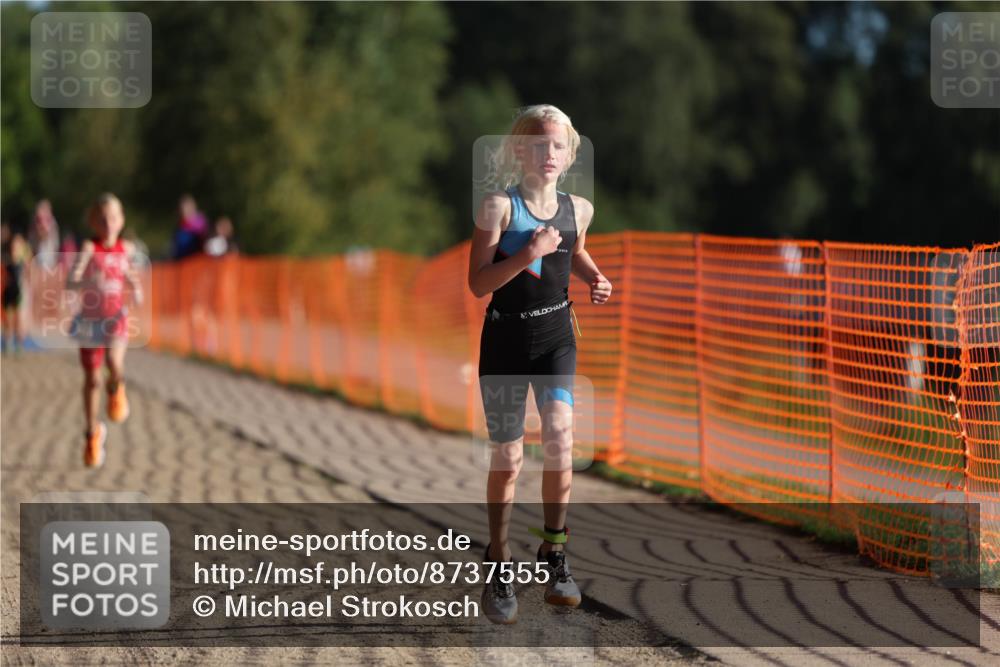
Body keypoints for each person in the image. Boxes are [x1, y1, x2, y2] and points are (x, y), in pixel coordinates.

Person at [467, 105, 612, 624]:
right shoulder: (498, 207)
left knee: (560, 438)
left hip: (556, 338)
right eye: (539, 144)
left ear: (570, 155)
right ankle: (499, 557)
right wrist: (527, 252)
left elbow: (573, 251)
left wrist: (595, 277)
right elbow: (478, 283)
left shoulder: (580, 209)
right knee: (509, 458)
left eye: (558, 145)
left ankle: (554, 550)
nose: (549, 153)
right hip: (505, 340)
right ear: (518, 151)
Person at [66, 194, 144, 468]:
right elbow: (70, 282)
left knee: (113, 360)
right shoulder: (89, 248)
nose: (108, 223)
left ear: (121, 220)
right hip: (90, 323)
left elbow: (129, 273)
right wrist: (89, 281)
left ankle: (117, 390)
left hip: (116, 318)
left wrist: (136, 288)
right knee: (93, 381)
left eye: (113, 217)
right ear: (93, 222)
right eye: (102, 219)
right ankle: (92, 432)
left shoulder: (127, 248)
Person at [1, 222, 32, 354]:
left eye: (18, 246)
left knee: (18, 318)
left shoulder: (22, 263)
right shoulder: (5, 260)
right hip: (7, 292)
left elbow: (28, 275)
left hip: (18, 292)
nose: (15, 248)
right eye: (13, 245)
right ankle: (7, 342)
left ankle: (19, 344)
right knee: (7, 319)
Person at [171, 194, 208, 260]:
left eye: (189, 208)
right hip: (183, 262)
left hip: (199, 260)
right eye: (184, 209)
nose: (187, 211)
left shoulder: (202, 226)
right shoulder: (179, 229)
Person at [29, 199, 60, 270]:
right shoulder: (37, 222)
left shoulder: (50, 221)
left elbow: (46, 236)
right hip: (42, 254)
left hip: (47, 254)